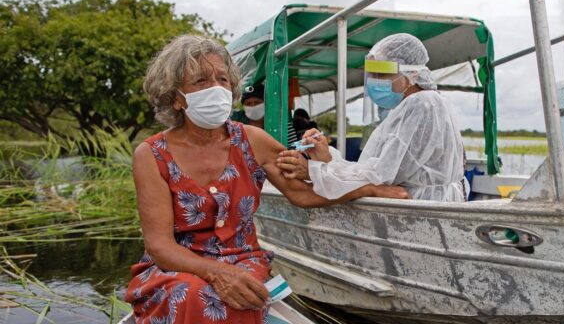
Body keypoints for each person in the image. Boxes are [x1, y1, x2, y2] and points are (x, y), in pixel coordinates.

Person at [125, 34, 409, 324]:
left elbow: (302, 193)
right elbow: (160, 245)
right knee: (193, 295)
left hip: (242, 258)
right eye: (200, 81)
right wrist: (215, 272)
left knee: (241, 298)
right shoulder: (151, 155)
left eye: (223, 80)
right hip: (180, 264)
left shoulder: (252, 140)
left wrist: (368, 188)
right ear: (175, 98)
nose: (216, 89)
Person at [276, 33, 468, 202]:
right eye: (373, 74)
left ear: (412, 74)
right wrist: (327, 158)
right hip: (421, 202)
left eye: (382, 74)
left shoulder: (420, 104)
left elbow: (381, 176)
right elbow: (375, 169)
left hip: (420, 206)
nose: (375, 81)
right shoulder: (425, 103)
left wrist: (314, 170)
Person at [231, 84, 299, 145]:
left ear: (266, 103)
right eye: (248, 103)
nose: (253, 106)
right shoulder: (237, 126)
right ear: (243, 106)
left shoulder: (281, 125)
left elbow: (293, 148)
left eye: (257, 102)